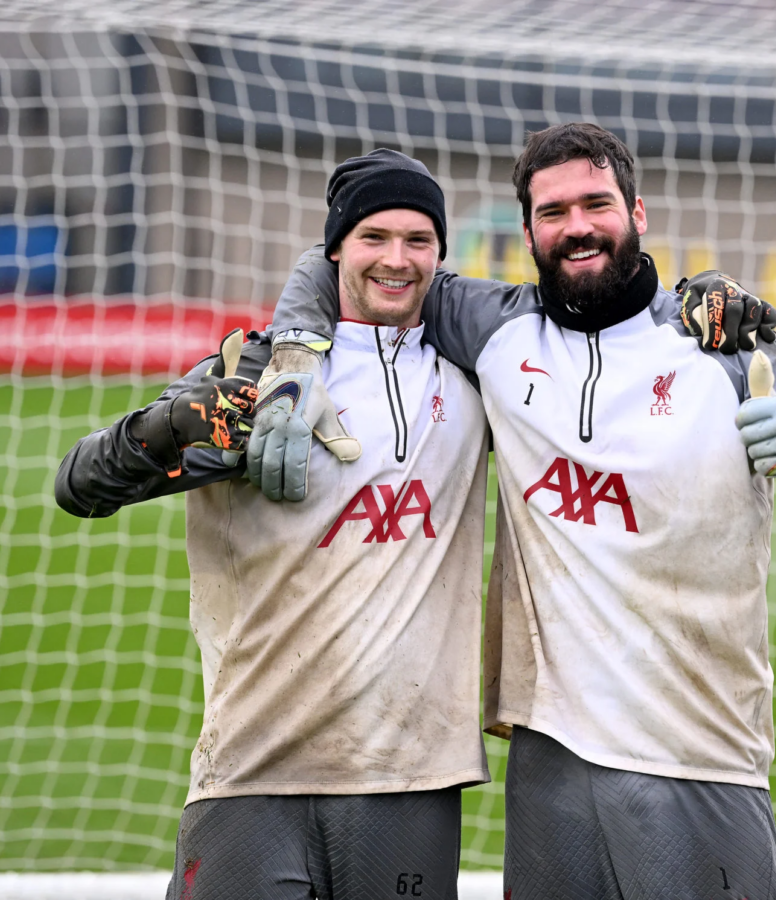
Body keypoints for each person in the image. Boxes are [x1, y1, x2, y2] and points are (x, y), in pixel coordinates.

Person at [259, 123, 776, 900]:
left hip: (702, 749)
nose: (577, 226)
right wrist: (292, 354)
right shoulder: (487, 324)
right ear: (527, 231)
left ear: (637, 212)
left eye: (596, 203)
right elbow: (353, 259)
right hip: (551, 762)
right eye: (553, 212)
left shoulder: (722, 340)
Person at [55, 149, 492, 900]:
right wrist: (165, 427)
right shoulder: (253, 372)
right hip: (251, 764)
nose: (397, 259)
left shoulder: (476, 380)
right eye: (373, 238)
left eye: (418, 240)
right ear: (334, 250)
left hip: (412, 769)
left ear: (440, 254)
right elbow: (79, 486)